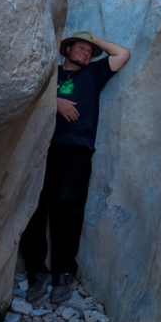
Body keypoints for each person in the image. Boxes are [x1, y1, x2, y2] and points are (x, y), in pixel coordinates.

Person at [19, 30, 131, 306]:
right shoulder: (51, 74)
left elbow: (122, 54)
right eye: (80, 48)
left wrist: (94, 40)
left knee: (67, 207)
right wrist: (54, 102)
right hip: (42, 146)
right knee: (34, 206)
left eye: (88, 51)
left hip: (76, 149)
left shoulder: (94, 74)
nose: (85, 53)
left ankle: (63, 273)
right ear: (66, 50)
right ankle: (37, 273)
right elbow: (27, 93)